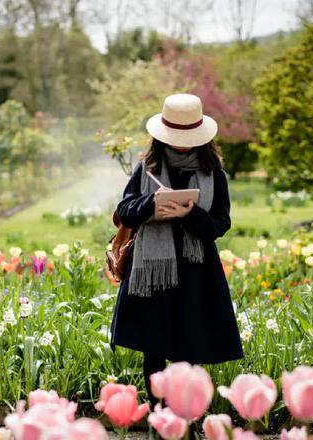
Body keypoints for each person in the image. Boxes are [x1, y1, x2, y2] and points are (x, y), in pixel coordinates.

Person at [109, 93, 243, 406]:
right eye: (176, 136)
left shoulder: (214, 174)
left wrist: (189, 214)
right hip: (154, 274)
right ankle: (159, 416)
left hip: (197, 273)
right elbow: (125, 212)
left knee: (191, 347)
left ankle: (186, 414)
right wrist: (152, 204)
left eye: (188, 137)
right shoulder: (147, 168)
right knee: (153, 348)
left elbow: (219, 225)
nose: (182, 143)